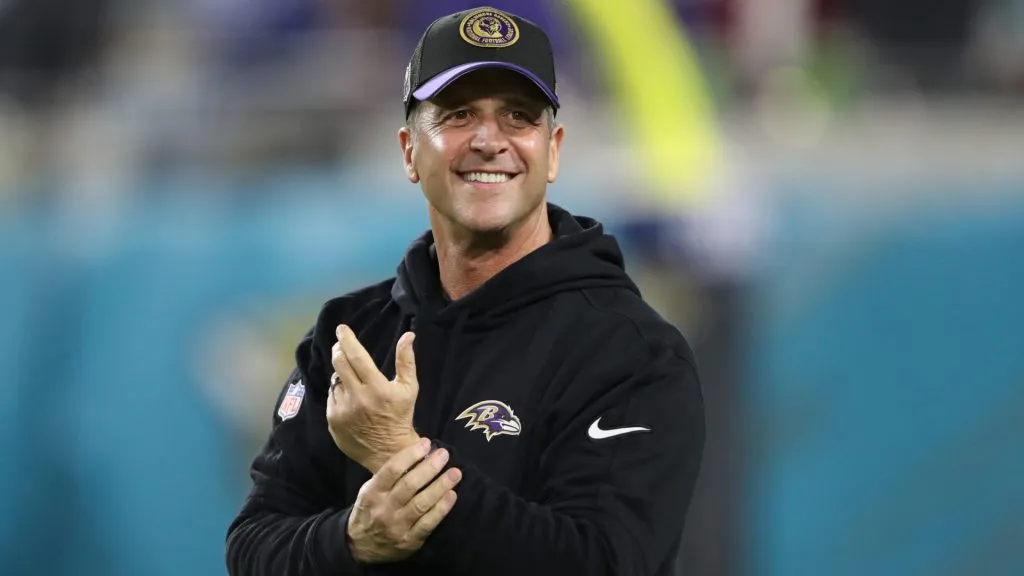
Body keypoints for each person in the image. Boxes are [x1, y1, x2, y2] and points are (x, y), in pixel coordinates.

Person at [225, 6, 705, 575]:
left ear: (552, 151)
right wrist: (350, 541)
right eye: (457, 114)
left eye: (518, 117)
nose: (488, 140)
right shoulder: (348, 335)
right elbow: (253, 545)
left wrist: (400, 457)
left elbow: (602, 562)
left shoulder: (632, 352)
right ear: (409, 150)